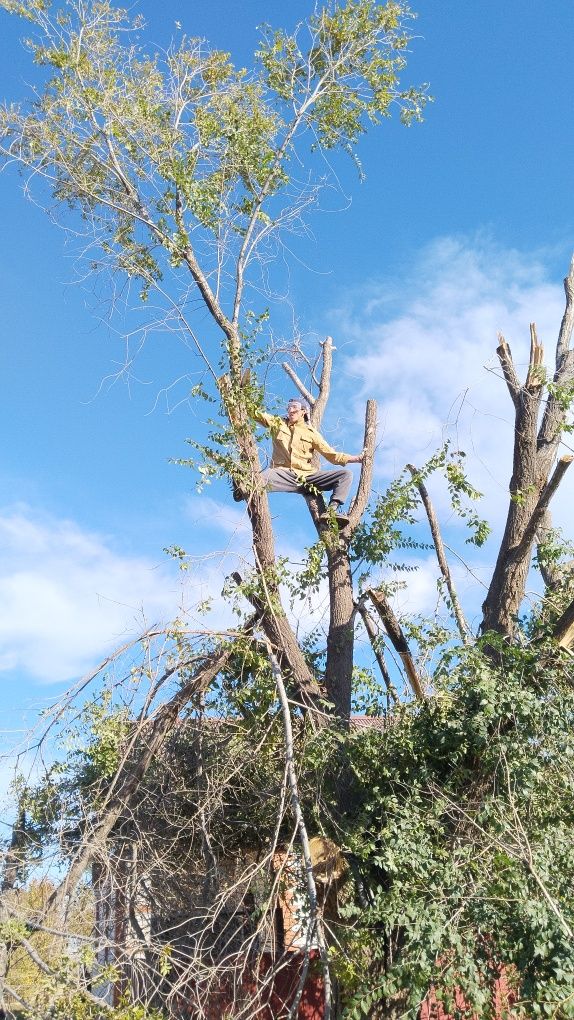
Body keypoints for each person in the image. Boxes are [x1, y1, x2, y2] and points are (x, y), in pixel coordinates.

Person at [253, 398, 364, 525]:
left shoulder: (311, 433)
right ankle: (242, 488)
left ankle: (331, 512)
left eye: (294, 407)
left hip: (307, 477)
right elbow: (258, 415)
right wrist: (241, 398)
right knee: (257, 480)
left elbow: (332, 455)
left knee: (346, 475)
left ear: (303, 411)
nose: (290, 410)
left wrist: (357, 458)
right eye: (288, 407)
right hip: (283, 474)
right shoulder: (278, 423)